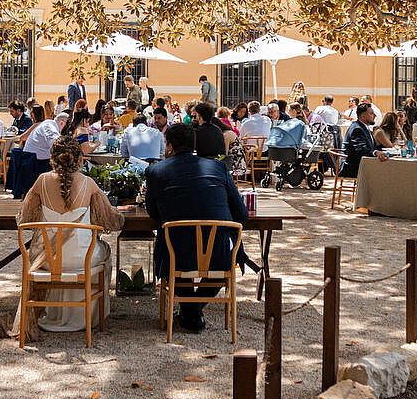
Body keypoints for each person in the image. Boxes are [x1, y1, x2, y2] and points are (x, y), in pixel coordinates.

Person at [143, 122, 250, 334]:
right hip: (219, 253)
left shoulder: (155, 171)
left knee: (180, 252)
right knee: (220, 262)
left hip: (176, 251)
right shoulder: (218, 168)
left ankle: (190, 312)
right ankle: (193, 311)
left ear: (170, 147)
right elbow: (242, 215)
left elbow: (153, 213)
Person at [18, 136, 127, 334]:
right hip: (81, 261)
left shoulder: (41, 181)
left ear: (52, 158)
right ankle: (89, 315)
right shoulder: (88, 183)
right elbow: (111, 220)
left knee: (59, 251)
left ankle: (55, 312)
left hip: (48, 261)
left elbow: (25, 218)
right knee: (104, 250)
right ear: (79, 159)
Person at [342, 103, 380, 176]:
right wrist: (375, 152)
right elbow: (361, 150)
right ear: (363, 116)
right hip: (352, 167)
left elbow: (372, 147)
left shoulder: (364, 128)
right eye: (371, 114)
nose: (375, 116)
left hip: (364, 164)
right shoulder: (357, 129)